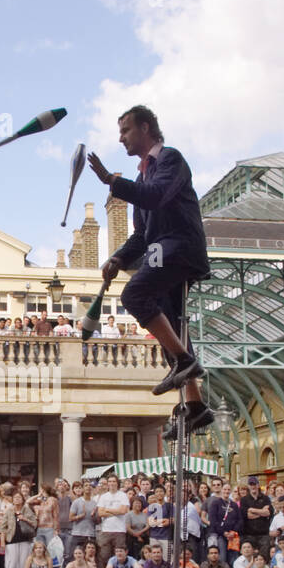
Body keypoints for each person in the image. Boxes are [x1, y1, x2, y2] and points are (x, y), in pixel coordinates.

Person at [87, 104, 213, 433]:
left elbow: (155, 197)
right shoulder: (144, 174)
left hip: (180, 247)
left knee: (136, 294)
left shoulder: (170, 160)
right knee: (172, 326)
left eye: (125, 130)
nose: (121, 138)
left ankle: (185, 361)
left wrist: (111, 180)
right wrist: (118, 257)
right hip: (160, 249)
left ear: (145, 128)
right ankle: (196, 405)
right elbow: (142, 234)